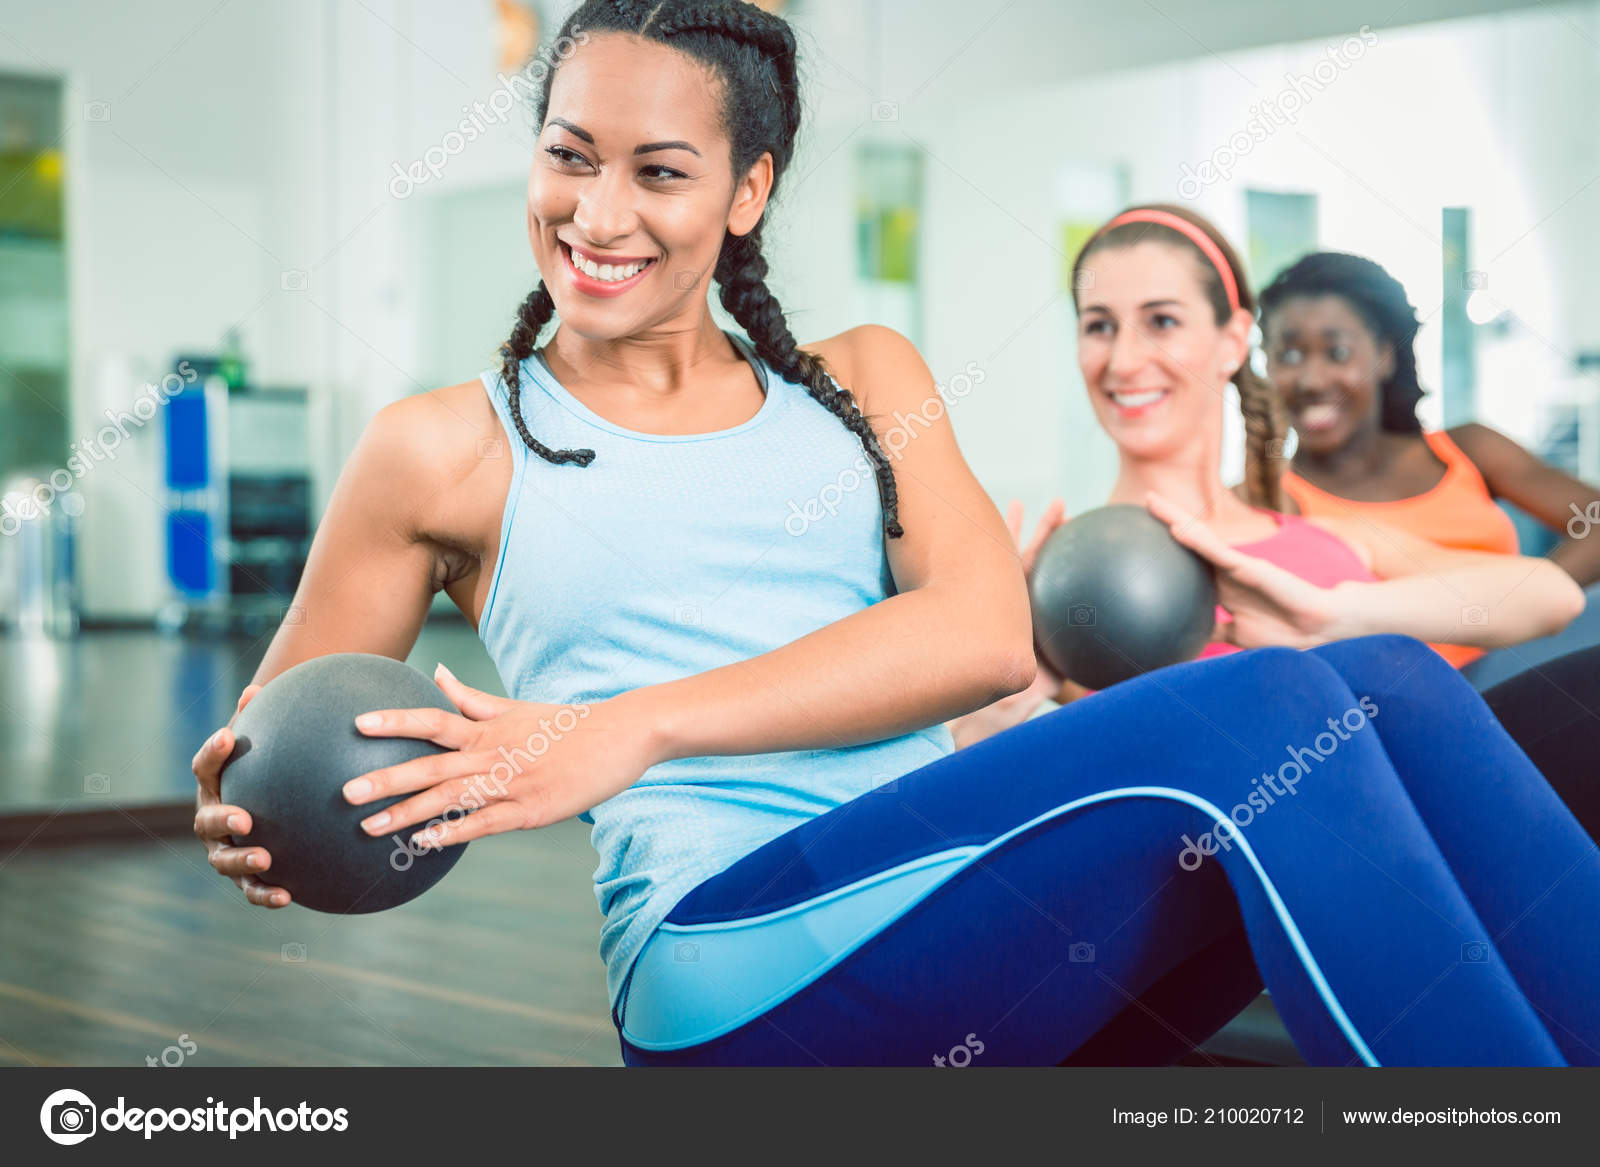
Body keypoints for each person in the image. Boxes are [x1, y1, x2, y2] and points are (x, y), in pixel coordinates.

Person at [192, 4, 1600, 1067]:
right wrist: (245, 812)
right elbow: (285, 740)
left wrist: (630, 724)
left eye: (658, 171)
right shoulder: (440, 444)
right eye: (570, 158)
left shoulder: (865, 379)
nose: (597, 213)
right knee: (1276, 711)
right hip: (729, 956)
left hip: (943, 891)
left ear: (746, 191)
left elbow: (979, 632)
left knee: (1394, 682)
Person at [951, 206, 1585, 746]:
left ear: (1232, 342)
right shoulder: (1064, 591)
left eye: (1162, 321)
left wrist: (1336, 615)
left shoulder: (1315, 537)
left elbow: (1551, 596)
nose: (1124, 359)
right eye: (1099, 326)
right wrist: (999, 707)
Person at [1258, 251, 1600, 669]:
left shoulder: (1467, 450)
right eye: (1289, 355)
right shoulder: (1267, 498)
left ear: (1384, 355)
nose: (1311, 380)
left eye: (1337, 352)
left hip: (1518, 673)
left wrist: (1516, 611)